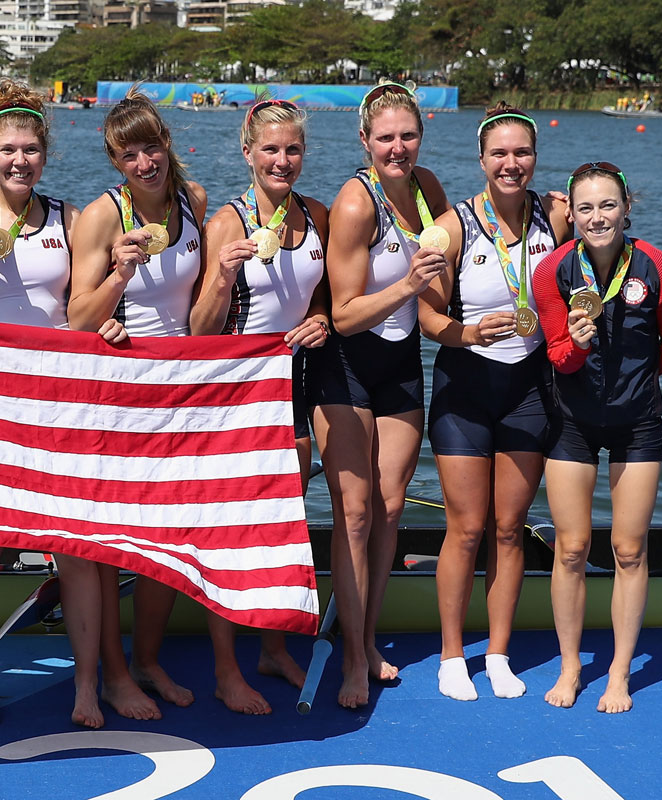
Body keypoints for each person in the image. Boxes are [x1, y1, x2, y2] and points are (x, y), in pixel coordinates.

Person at [0, 79, 120, 729]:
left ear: (45, 156)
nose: (21, 160)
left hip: (58, 400)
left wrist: (110, 327)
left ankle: (87, 686)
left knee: (76, 548)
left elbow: (86, 312)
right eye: (9, 149)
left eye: (32, 150)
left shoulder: (70, 220)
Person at [417, 102, 570, 702]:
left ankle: (500, 652)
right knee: (466, 526)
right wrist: (468, 333)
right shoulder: (452, 228)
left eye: (522, 153)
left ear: (535, 159)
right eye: (499, 154)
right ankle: (453, 656)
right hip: (465, 387)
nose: (511, 164)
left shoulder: (554, 219)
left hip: (529, 388)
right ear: (481, 161)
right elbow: (427, 316)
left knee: (509, 529)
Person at [532, 161, 662, 713]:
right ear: (570, 214)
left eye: (607, 206)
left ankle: (619, 672)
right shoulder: (552, 271)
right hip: (572, 418)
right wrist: (576, 344)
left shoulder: (661, 269)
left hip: (638, 420)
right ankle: (571, 665)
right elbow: (556, 358)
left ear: (627, 208)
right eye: (585, 208)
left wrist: (633, 383)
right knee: (571, 547)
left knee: (628, 548)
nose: (597, 217)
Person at [68, 87, 207, 721]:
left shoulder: (196, 202)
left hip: (182, 389)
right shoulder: (101, 216)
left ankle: (148, 658)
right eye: (129, 155)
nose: (144, 162)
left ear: (167, 143)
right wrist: (118, 276)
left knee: (171, 537)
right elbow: (76, 318)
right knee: (112, 540)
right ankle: (116, 676)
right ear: (116, 163)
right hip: (119, 390)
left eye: (151, 147)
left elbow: (206, 304)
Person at [312, 82, 451, 708]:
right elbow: (342, 315)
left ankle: (366, 640)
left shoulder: (429, 192)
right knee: (357, 513)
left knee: (392, 513)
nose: (398, 148)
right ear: (365, 142)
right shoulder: (354, 204)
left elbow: (444, 290)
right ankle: (349, 660)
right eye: (386, 138)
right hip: (345, 365)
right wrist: (409, 284)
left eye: (408, 136)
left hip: (398, 364)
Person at [190, 98, 331, 714]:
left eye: (292, 150)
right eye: (270, 150)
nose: (282, 161)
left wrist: (323, 318)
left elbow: (325, 298)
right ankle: (226, 669)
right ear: (247, 153)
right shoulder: (226, 221)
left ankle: (273, 647)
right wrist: (221, 276)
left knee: (284, 525)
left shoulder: (317, 214)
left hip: (295, 381)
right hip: (236, 387)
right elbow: (198, 330)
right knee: (229, 531)